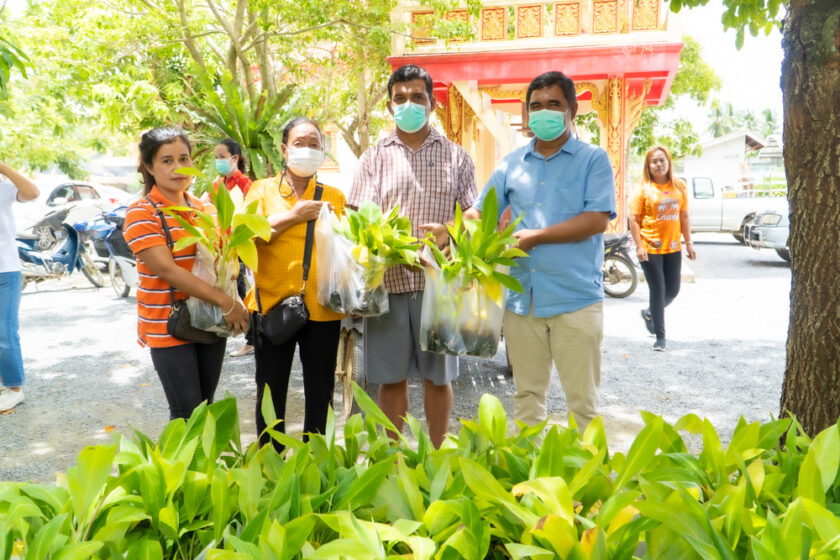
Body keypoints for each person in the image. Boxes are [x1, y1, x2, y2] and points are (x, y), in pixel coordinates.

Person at [464, 71, 615, 432]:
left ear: (571, 110)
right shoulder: (511, 163)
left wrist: (538, 236)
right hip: (522, 300)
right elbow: (480, 213)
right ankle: (529, 467)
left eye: (553, 104)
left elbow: (597, 219)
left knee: (583, 403)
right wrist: (451, 229)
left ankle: (591, 470)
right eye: (536, 106)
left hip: (575, 298)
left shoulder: (593, 159)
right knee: (527, 396)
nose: (544, 112)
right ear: (527, 112)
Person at [348, 64, 477, 448]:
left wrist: (449, 229)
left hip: (439, 284)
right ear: (390, 106)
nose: (409, 104)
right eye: (400, 98)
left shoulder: (457, 156)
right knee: (390, 379)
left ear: (432, 102)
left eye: (417, 97)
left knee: (439, 377)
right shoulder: (373, 158)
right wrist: (387, 245)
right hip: (388, 285)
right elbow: (357, 218)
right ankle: (392, 459)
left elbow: (473, 213)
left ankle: (436, 455)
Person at [123, 127, 250, 420]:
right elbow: (168, 270)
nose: (178, 168)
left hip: (207, 319)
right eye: (167, 161)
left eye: (184, 159)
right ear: (149, 167)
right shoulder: (142, 213)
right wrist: (227, 302)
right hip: (169, 325)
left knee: (205, 406)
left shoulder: (204, 208)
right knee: (186, 413)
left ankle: (205, 455)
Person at [245, 117, 345, 451]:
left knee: (321, 393)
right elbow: (246, 238)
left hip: (324, 309)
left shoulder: (334, 196)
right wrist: (294, 216)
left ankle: (316, 463)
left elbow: (344, 251)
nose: (308, 149)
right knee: (270, 392)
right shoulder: (261, 190)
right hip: (273, 306)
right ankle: (270, 464)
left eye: (315, 144)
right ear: (285, 149)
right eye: (300, 143)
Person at [629, 145, 697, 351]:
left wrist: (689, 243)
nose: (658, 164)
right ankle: (660, 336)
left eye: (662, 160)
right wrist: (639, 246)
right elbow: (634, 220)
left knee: (673, 289)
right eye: (654, 161)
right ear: (648, 166)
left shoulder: (679, 186)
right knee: (658, 290)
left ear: (668, 162)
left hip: (673, 246)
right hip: (650, 247)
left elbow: (684, 216)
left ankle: (650, 312)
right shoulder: (642, 188)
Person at [0, 162, 39, 412]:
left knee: (4, 332)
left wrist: (3, 168)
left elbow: (32, 192)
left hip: (5, 270)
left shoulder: (3, 190)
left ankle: (15, 389)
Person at [213, 138, 255, 357]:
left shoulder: (246, 185)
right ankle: (245, 333)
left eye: (222, 157)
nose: (218, 161)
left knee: (244, 290)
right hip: (222, 248)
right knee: (231, 289)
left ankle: (250, 338)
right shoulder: (217, 185)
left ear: (235, 158)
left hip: (241, 245)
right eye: (216, 157)